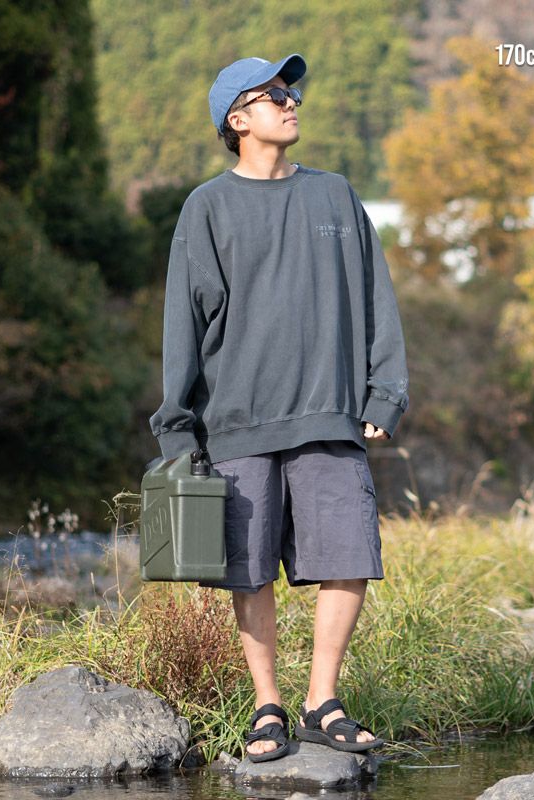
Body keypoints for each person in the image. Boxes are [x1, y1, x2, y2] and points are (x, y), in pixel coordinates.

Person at [148, 53, 409, 762]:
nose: (291, 102)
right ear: (238, 120)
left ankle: (323, 700)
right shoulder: (207, 206)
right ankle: (268, 704)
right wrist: (177, 425)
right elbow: (183, 323)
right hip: (236, 419)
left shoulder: (335, 195)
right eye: (273, 95)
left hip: (330, 410)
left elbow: (376, 296)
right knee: (250, 567)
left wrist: (384, 390)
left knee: (349, 552)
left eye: (291, 92)